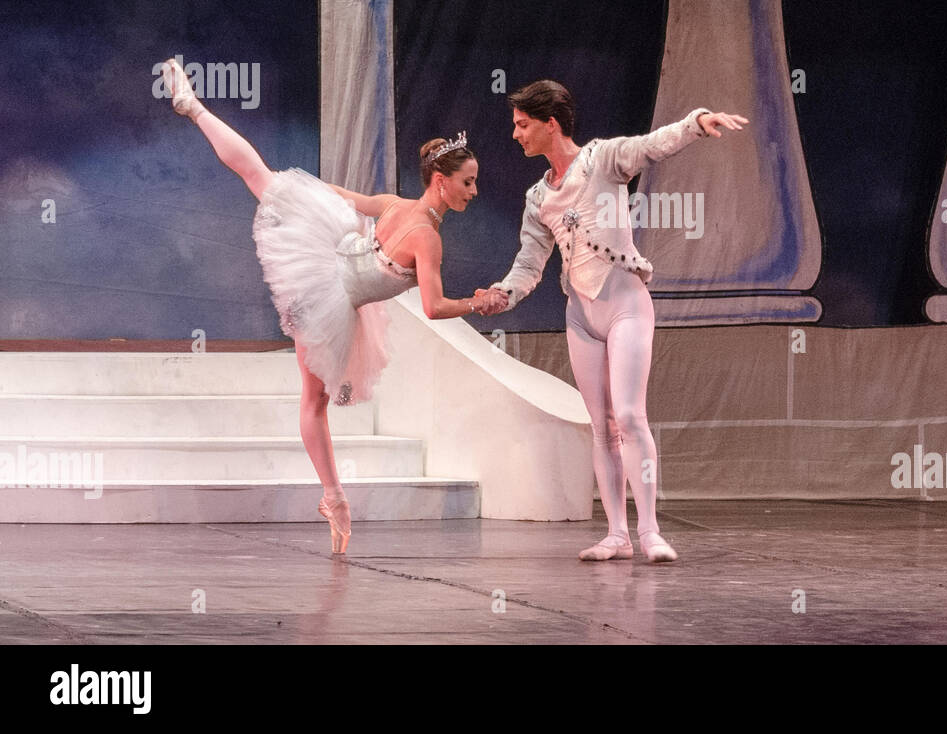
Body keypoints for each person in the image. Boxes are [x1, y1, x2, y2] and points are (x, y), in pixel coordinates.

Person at [158, 58, 496, 553]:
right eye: (468, 181)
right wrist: (478, 303)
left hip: (328, 268)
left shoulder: (397, 204)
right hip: (326, 293)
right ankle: (335, 498)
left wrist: (301, 191)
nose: (474, 191)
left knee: (259, 176)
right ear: (441, 180)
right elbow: (434, 306)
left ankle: (194, 108)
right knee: (314, 404)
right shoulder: (427, 237)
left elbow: (347, 198)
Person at [479, 79, 748, 563]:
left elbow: (651, 145)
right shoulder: (537, 197)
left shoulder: (601, 160)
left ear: (550, 124)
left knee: (628, 416)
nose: (515, 134)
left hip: (625, 303)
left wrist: (697, 123)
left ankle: (650, 532)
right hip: (581, 316)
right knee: (601, 426)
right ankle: (617, 534)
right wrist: (504, 293)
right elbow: (530, 262)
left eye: (522, 125)